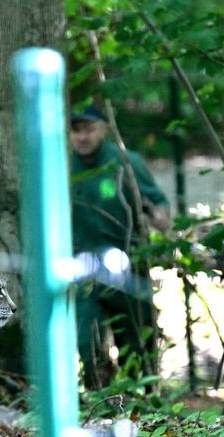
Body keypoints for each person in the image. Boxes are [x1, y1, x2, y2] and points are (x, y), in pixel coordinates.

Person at [69, 103, 170, 390]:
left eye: (89, 129)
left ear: (104, 129)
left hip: (128, 269)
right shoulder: (62, 166)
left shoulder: (126, 162)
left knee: (137, 340)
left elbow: (157, 204)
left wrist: (160, 218)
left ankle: (147, 403)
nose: (82, 137)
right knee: (87, 340)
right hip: (83, 272)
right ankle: (101, 402)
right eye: (76, 130)